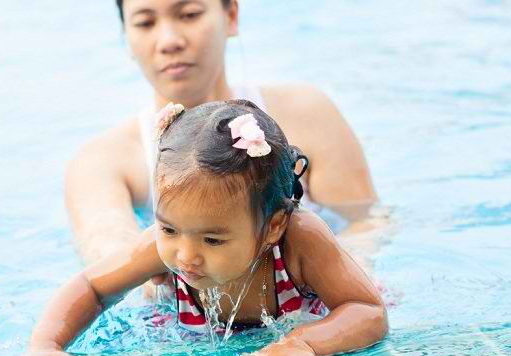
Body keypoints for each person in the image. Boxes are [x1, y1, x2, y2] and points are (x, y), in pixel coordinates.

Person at [0, 100, 388, 356]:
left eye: (213, 239)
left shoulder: (301, 239)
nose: (185, 255)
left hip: (300, 313)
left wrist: (302, 341)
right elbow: (91, 287)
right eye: (168, 229)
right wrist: (44, 344)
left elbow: (368, 310)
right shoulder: (163, 247)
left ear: (272, 227)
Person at [65, 0, 378, 284]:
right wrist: (150, 275)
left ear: (231, 16)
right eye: (145, 23)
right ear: (127, 37)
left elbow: (364, 221)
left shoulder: (307, 113)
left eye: (189, 14)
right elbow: (108, 248)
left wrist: (348, 278)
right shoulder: (102, 162)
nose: (169, 41)